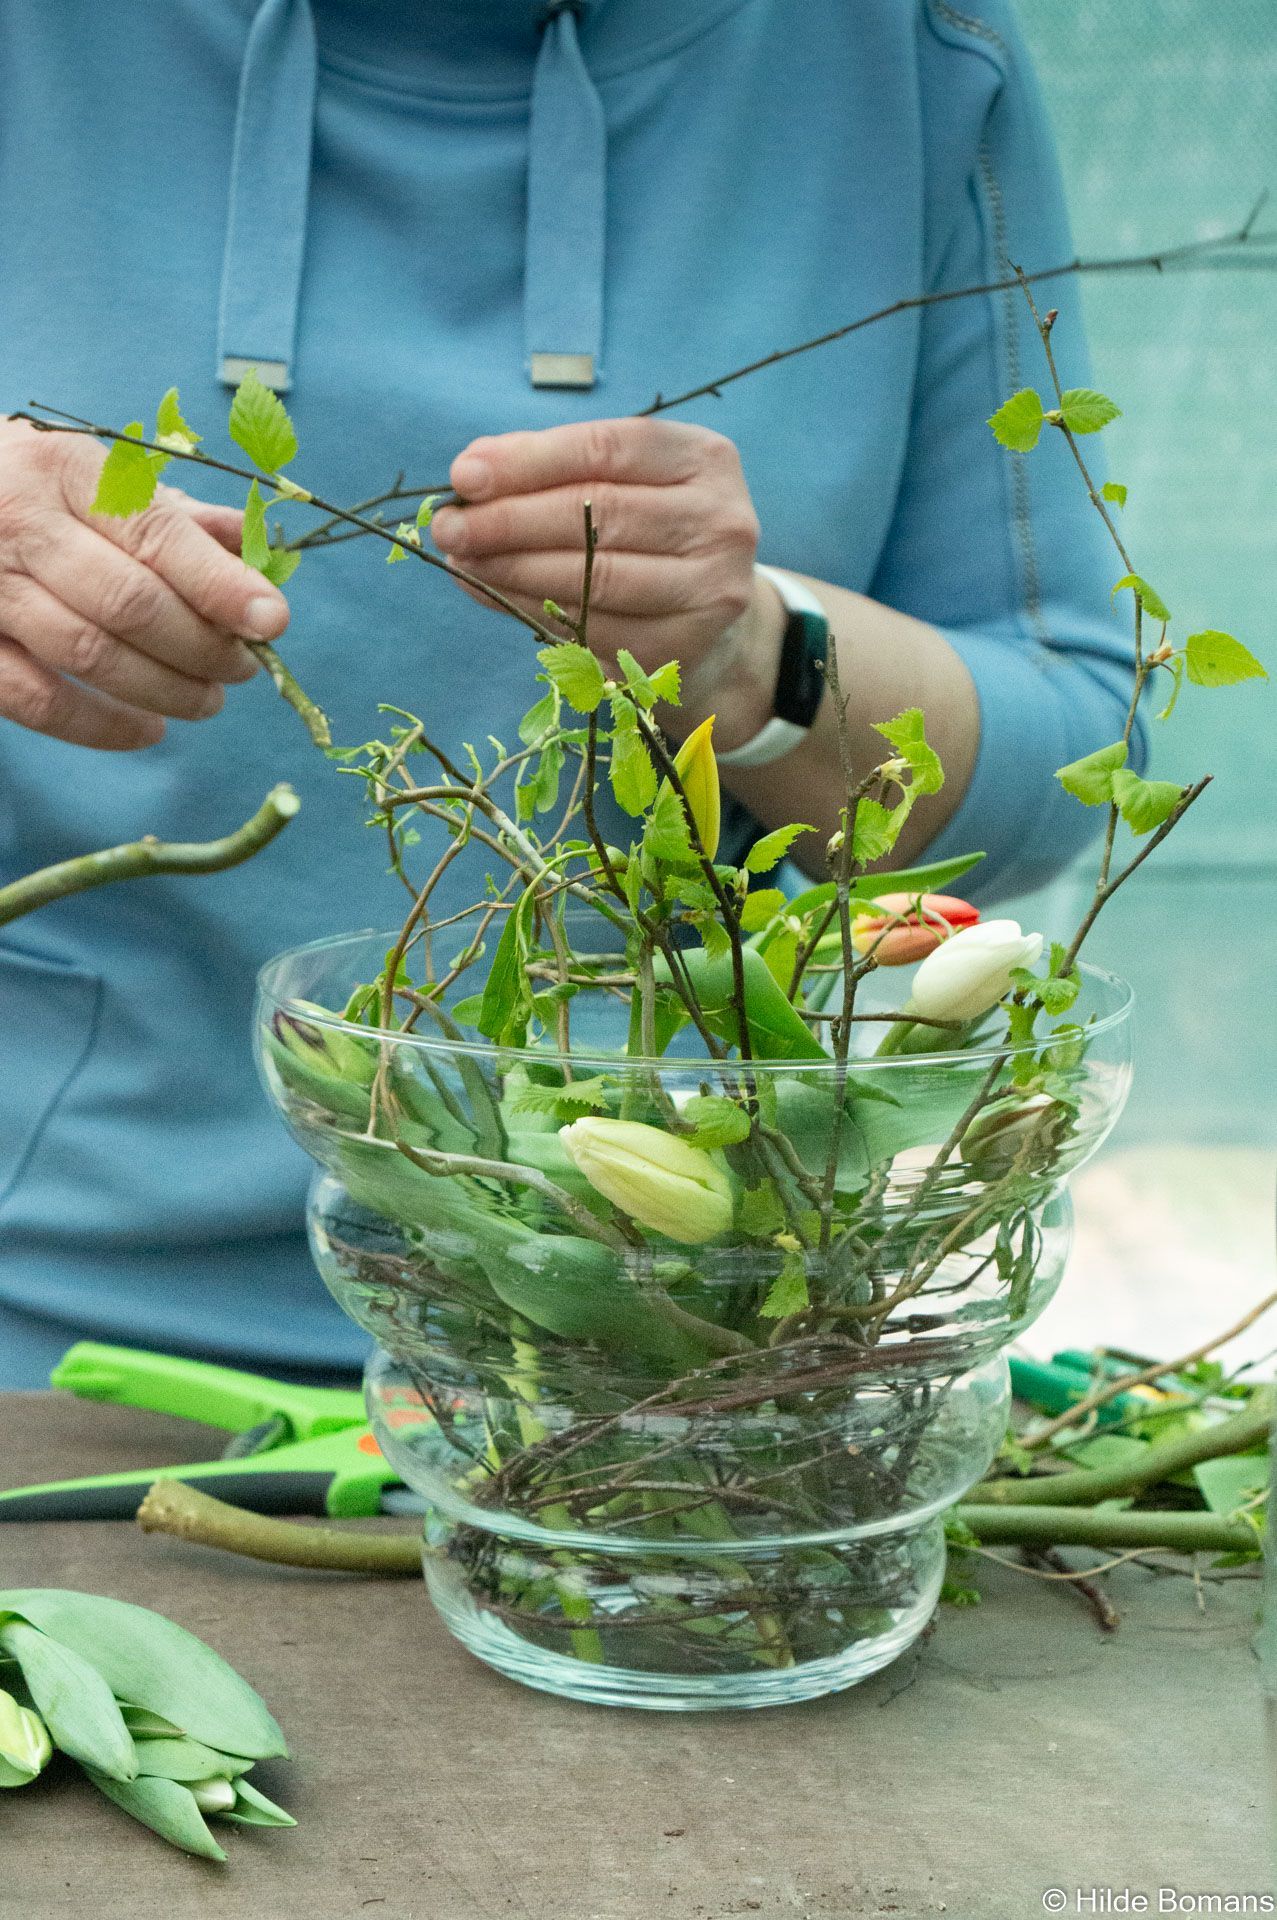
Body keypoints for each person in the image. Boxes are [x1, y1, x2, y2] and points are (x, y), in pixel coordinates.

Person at [0, 0, 1142, 1386]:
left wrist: (753, 654)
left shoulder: (896, 51)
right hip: (37, 1329)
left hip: (685, 1351)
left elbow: (1063, 770)